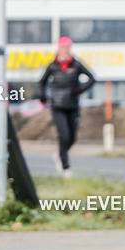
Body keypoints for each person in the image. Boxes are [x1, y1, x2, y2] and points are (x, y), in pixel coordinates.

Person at [35, 36, 95, 178]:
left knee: (72, 137)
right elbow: (41, 82)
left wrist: (80, 89)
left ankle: (60, 154)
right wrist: (43, 97)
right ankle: (65, 167)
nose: (66, 50)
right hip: (58, 106)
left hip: (73, 105)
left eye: (68, 48)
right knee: (64, 136)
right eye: (63, 48)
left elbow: (92, 78)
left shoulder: (76, 64)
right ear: (58, 49)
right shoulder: (52, 66)